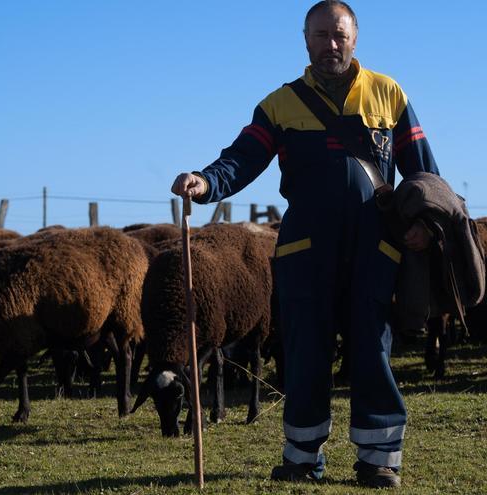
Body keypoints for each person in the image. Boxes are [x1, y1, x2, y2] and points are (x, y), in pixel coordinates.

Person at [171, 0, 438, 488]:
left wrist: (425, 222)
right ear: (306, 40)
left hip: (374, 246)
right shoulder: (280, 104)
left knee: (372, 350)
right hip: (305, 250)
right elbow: (241, 159)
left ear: (354, 38)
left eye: (339, 35)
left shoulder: (389, 94)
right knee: (305, 353)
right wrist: (205, 182)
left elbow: (423, 173)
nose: (330, 44)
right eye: (320, 35)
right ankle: (301, 456)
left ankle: (379, 458)